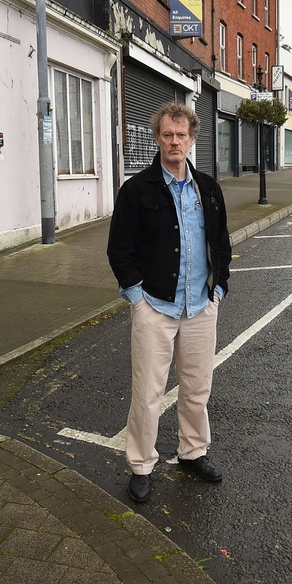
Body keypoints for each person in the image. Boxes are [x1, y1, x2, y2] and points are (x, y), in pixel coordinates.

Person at [107, 102, 231, 504]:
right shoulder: (136, 189)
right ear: (157, 139)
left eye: (181, 135)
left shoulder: (208, 189)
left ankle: (193, 452)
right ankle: (142, 465)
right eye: (167, 135)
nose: (174, 142)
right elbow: (119, 249)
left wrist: (219, 288)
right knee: (147, 392)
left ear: (192, 139)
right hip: (155, 307)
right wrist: (136, 298)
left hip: (200, 306)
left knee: (197, 388)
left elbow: (222, 243)